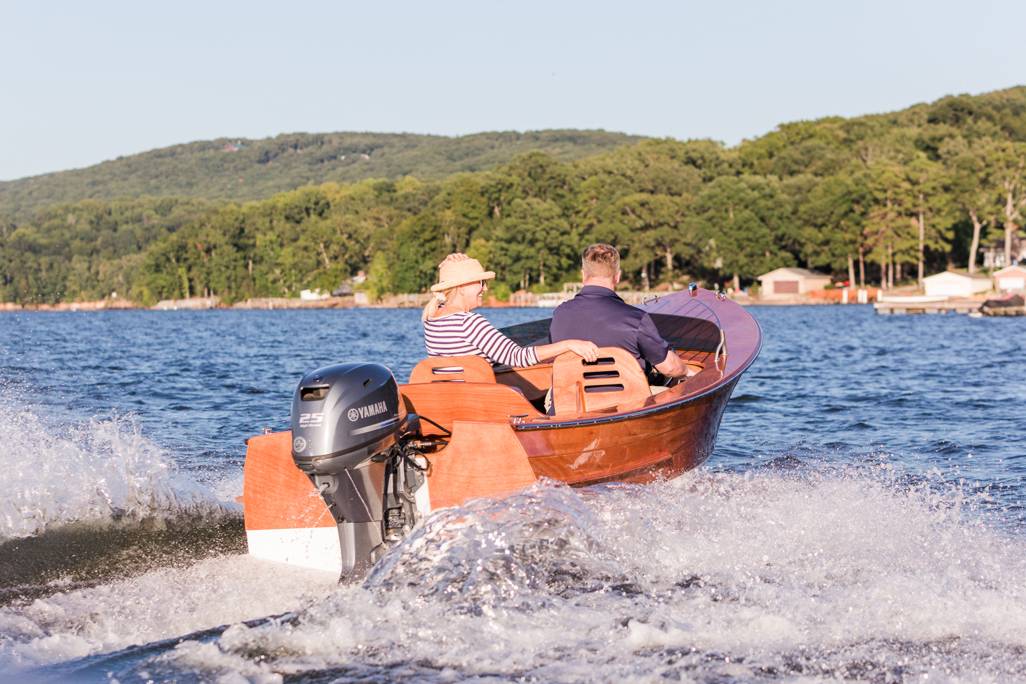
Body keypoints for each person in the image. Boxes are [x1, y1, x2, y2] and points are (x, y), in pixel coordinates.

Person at [423, 253, 598, 366]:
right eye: (481, 282)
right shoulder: (469, 323)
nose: (485, 289)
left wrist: (455, 263)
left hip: (450, 403)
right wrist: (569, 344)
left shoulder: (431, 319)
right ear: (461, 287)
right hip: (479, 405)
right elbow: (517, 357)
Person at [549, 243, 689, 379]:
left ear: (583, 275)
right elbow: (671, 369)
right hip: (627, 399)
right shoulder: (636, 318)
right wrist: (688, 372)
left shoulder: (559, 314)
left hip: (571, 398)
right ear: (618, 276)